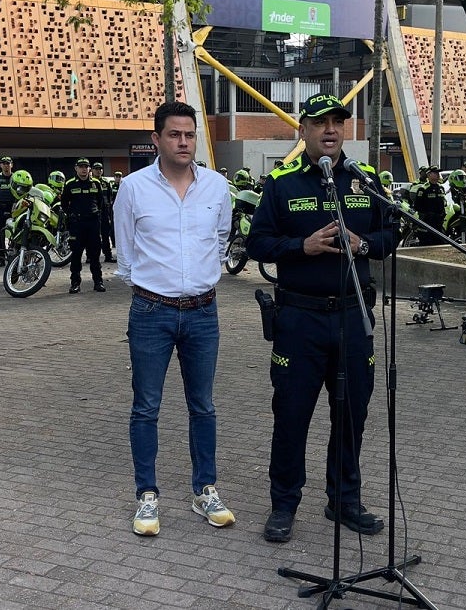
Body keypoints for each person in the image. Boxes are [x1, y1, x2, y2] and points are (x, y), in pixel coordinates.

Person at [245, 93, 394, 544]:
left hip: (353, 318)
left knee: (352, 415)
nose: (330, 130)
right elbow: (257, 244)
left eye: (337, 122)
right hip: (300, 322)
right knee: (291, 416)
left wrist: (363, 243)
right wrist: (300, 247)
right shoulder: (282, 183)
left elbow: (391, 232)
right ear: (302, 131)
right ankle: (284, 504)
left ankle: (344, 500)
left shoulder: (364, 180)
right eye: (319, 123)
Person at [113, 101, 235, 537]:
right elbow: (125, 252)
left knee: (203, 406)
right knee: (146, 408)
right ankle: (147, 495)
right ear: (156, 139)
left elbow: (221, 240)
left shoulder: (218, 188)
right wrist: (153, 287)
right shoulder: (133, 188)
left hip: (204, 312)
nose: (183, 142)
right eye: (174, 135)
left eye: (189, 134)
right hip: (151, 312)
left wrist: (202, 277)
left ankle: (205, 489)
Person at [61, 157, 107, 293]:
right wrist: (72, 215)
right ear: (76, 168)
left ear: (89, 169)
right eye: (81, 167)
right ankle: (75, 283)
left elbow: (100, 203)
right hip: (77, 224)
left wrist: (96, 215)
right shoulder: (70, 184)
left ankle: (98, 282)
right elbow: (64, 204)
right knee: (76, 255)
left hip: (92, 223)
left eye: (86, 167)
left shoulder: (96, 184)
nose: (84, 169)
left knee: (94, 255)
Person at [412, 167, 447, 245]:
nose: (438, 175)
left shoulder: (440, 188)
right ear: (429, 175)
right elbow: (417, 206)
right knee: (427, 245)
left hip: (439, 222)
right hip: (427, 223)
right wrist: (428, 215)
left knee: (442, 243)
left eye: (438, 173)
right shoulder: (423, 189)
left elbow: (444, 202)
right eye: (435, 173)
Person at [0, 157, 15, 265]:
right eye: (4, 164)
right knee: (1, 234)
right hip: (0, 208)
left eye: (8, 163)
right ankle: (1, 258)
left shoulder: (15, 177)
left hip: (13, 208)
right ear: (0, 165)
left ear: (11, 165)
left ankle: (14, 256)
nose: (6, 165)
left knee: (14, 233)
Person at [93, 161, 116, 262]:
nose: (98, 171)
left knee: (106, 235)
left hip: (105, 212)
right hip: (94, 212)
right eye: (96, 169)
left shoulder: (106, 183)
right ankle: (91, 257)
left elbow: (110, 198)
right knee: (93, 236)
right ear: (92, 170)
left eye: (100, 169)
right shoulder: (90, 182)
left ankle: (108, 255)